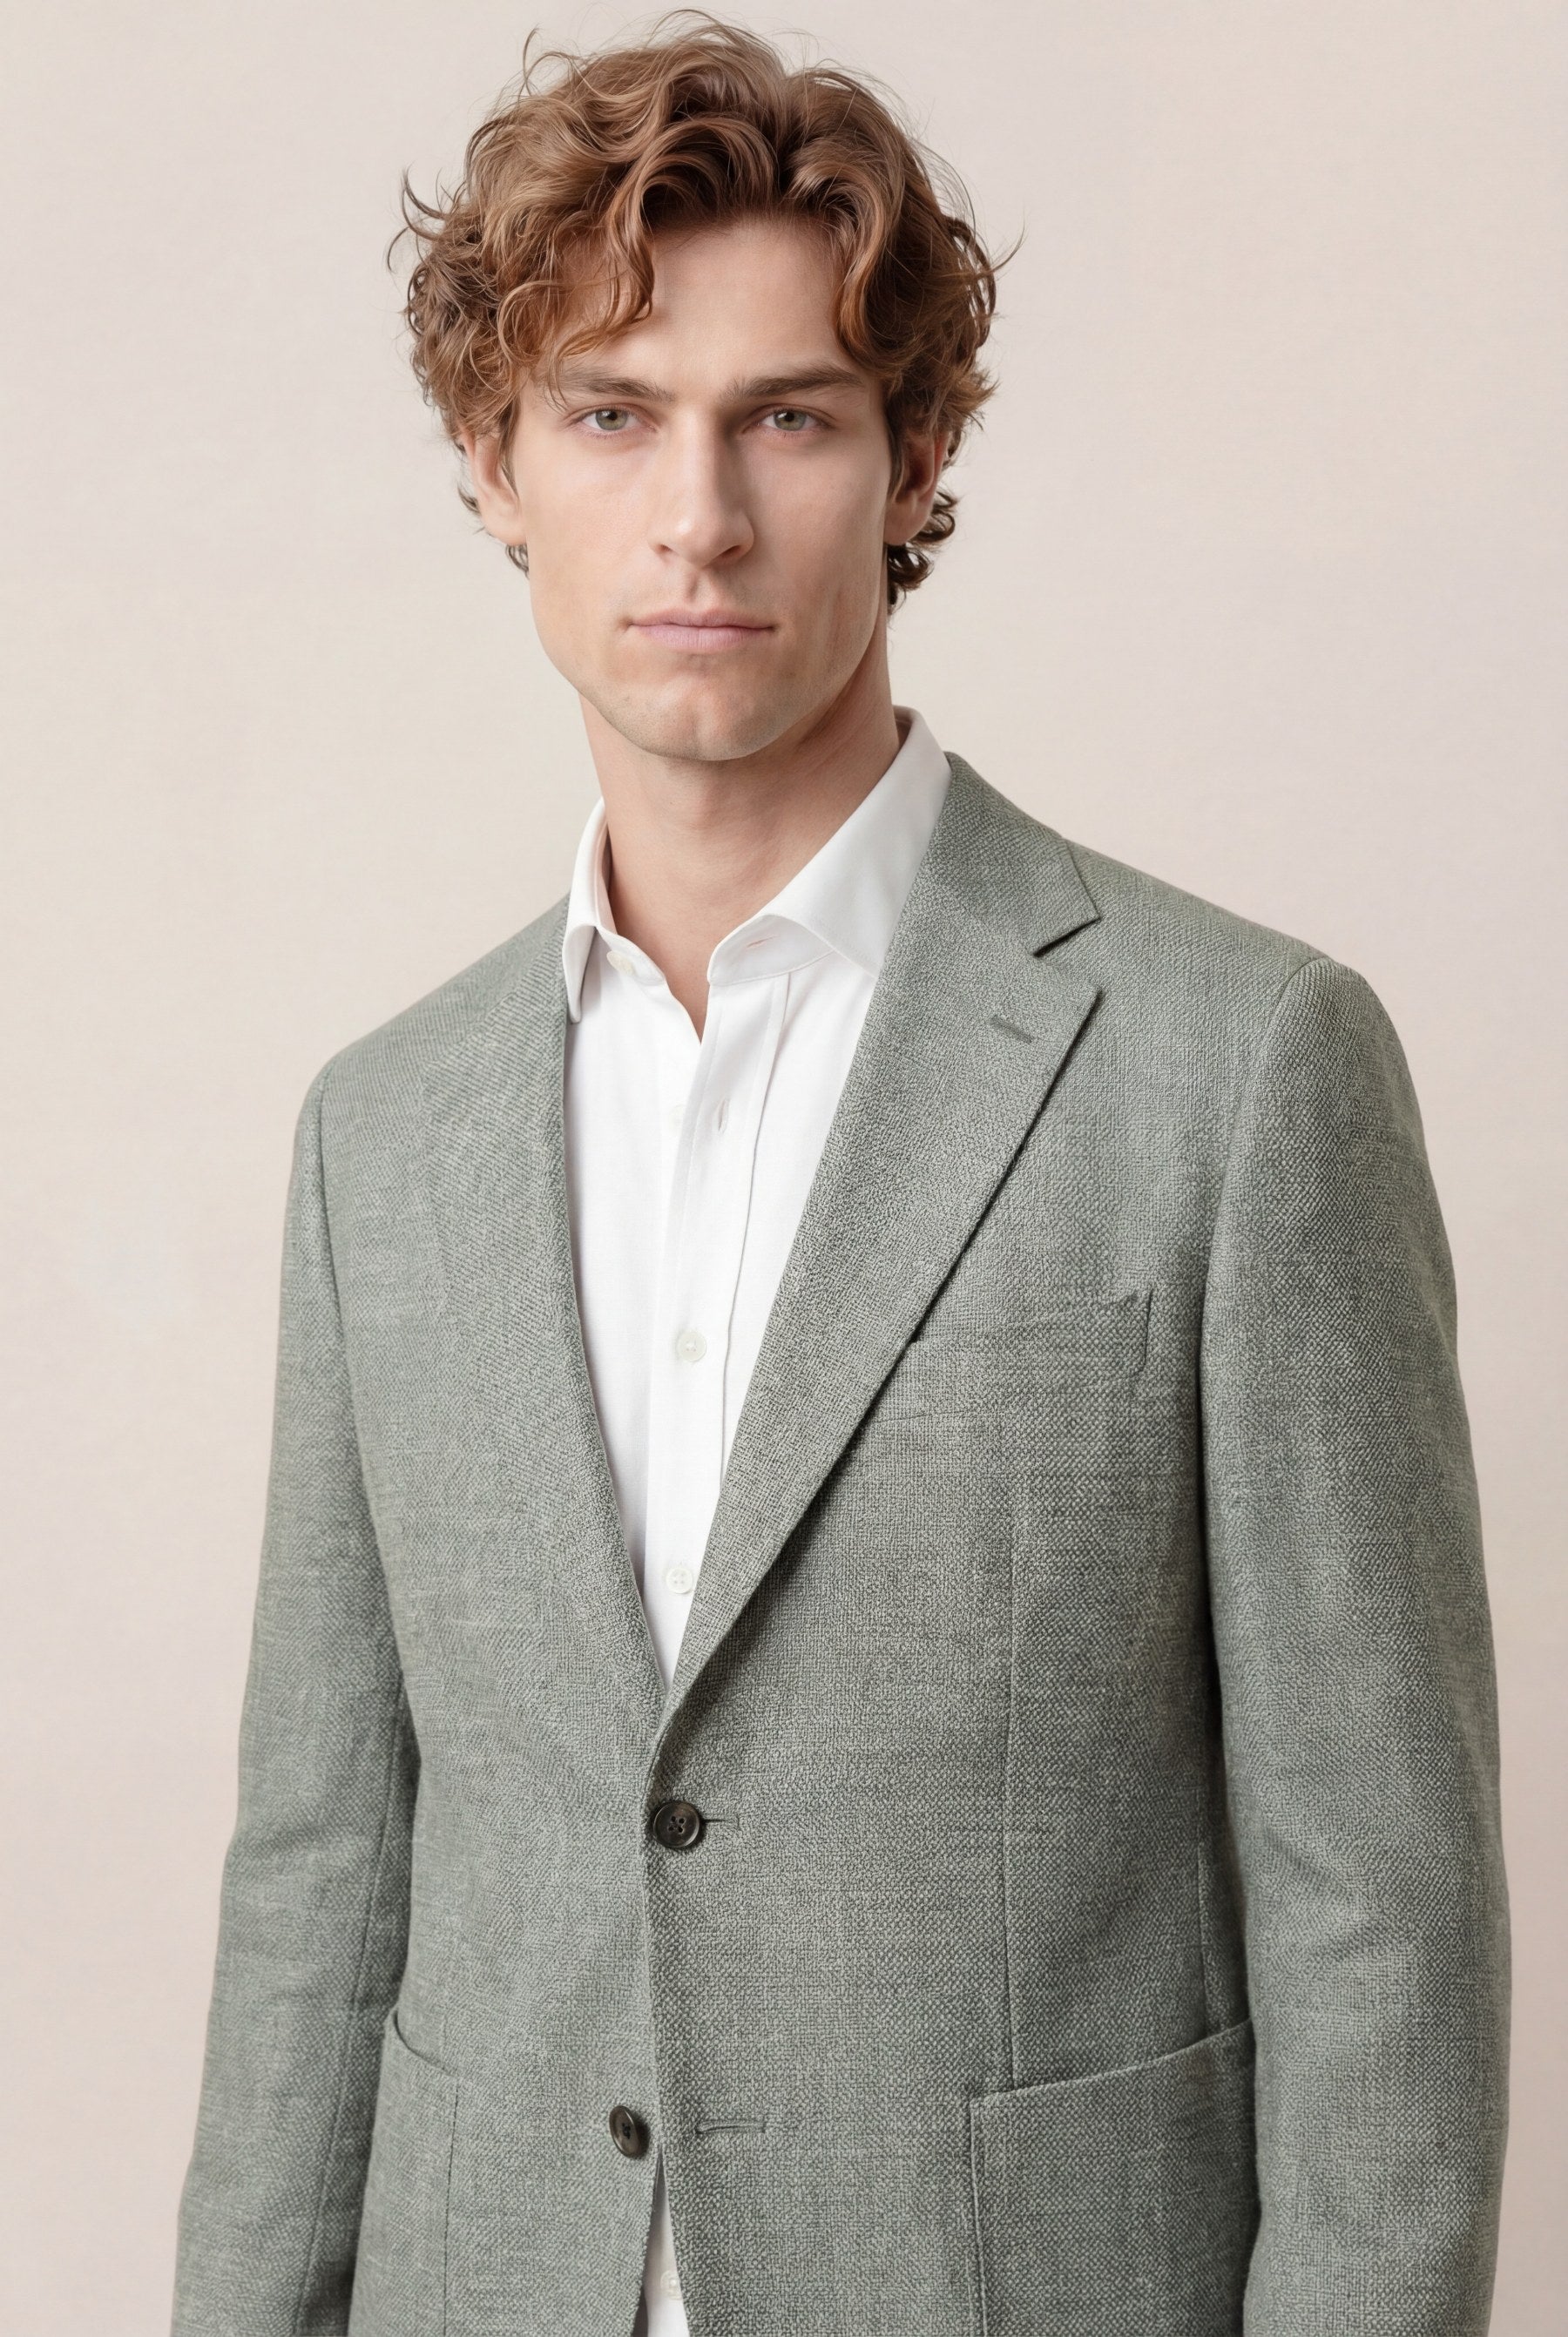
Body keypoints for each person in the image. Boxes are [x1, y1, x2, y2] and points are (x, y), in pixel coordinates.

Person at [169, 17, 1510, 2336]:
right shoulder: (379, 1136)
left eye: (785, 417)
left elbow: (1383, 1919)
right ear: (495, 465)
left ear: (916, 455)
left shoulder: (1238, 1073)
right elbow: (320, 1887)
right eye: (611, 414)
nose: (697, 515)